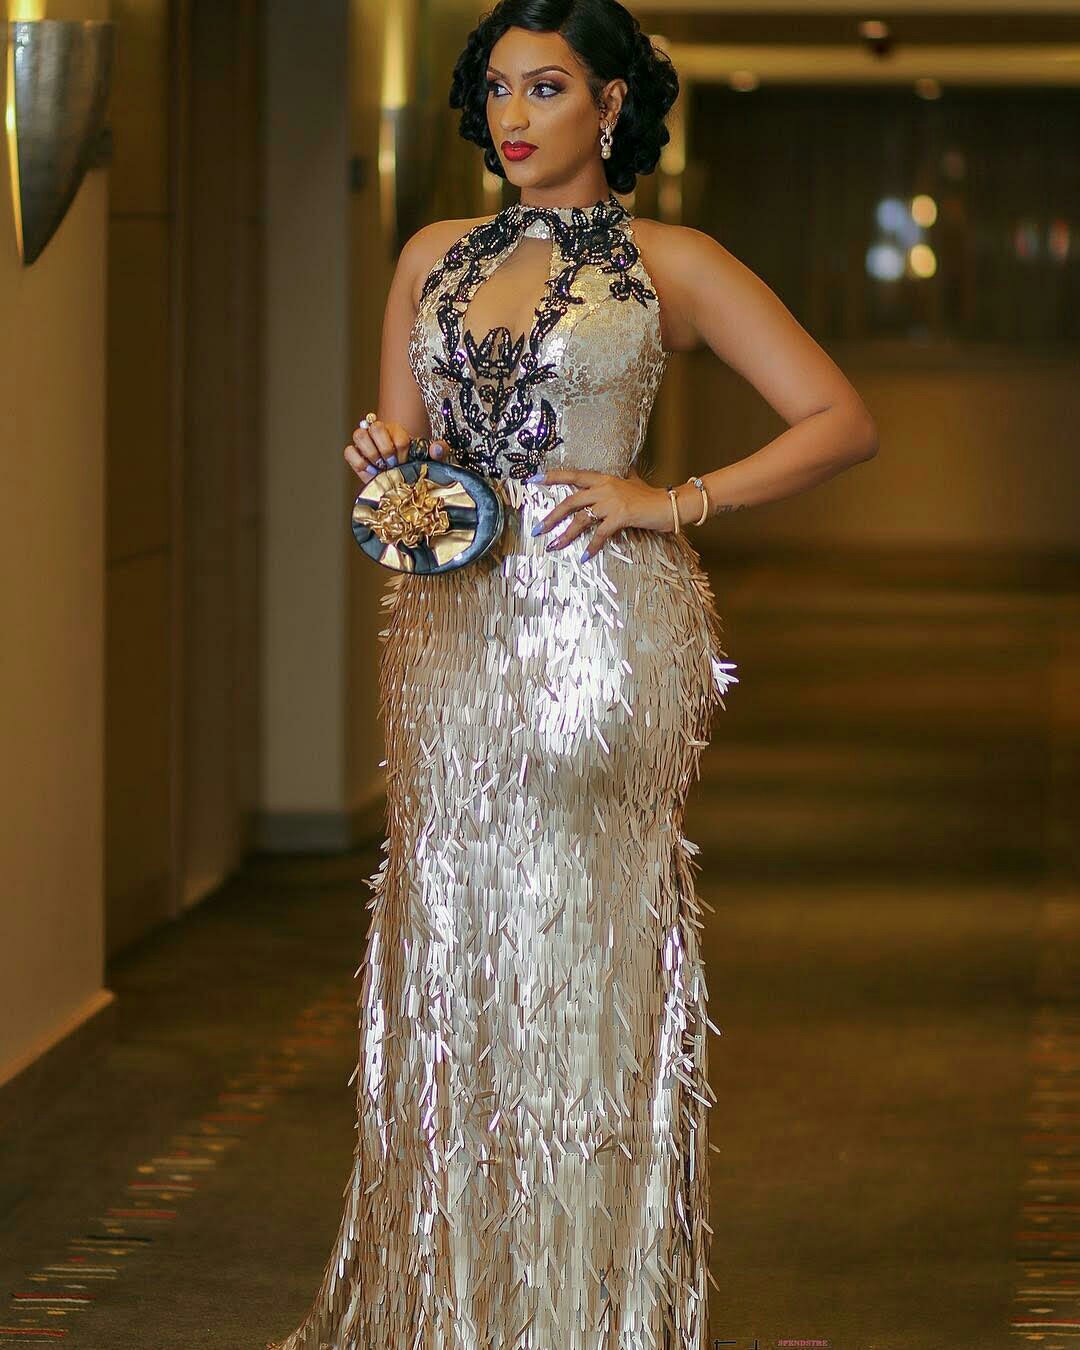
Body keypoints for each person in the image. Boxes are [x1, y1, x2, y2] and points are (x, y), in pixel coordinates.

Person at [268, 1, 877, 1346]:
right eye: (497, 88)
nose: (514, 115)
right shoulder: (429, 256)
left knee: (577, 952)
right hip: (448, 640)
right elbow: (413, 470)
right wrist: (386, 471)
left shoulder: (671, 261)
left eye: (547, 87)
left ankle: (582, 1311)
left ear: (611, 105)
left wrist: (673, 499)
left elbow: (841, 418)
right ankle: (465, 1306)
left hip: (602, 632)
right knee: (454, 947)